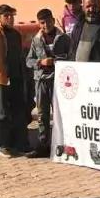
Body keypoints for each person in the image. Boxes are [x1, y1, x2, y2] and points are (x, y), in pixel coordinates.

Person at [0, 4, 30, 157]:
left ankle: (21, 145)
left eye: (11, 15)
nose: (10, 18)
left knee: (19, 111)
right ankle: (4, 146)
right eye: (6, 16)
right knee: (2, 113)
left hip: (16, 78)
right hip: (1, 80)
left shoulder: (16, 34)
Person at [25, 8, 70, 159]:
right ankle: (43, 146)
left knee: (60, 113)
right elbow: (28, 61)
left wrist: (57, 61)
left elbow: (71, 58)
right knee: (42, 115)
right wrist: (41, 62)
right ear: (39, 24)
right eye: (42, 23)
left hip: (59, 81)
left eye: (48, 22)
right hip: (41, 81)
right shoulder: (36, 40)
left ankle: (62, 144)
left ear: (53, 20)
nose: (46, 25)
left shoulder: (63, 38)